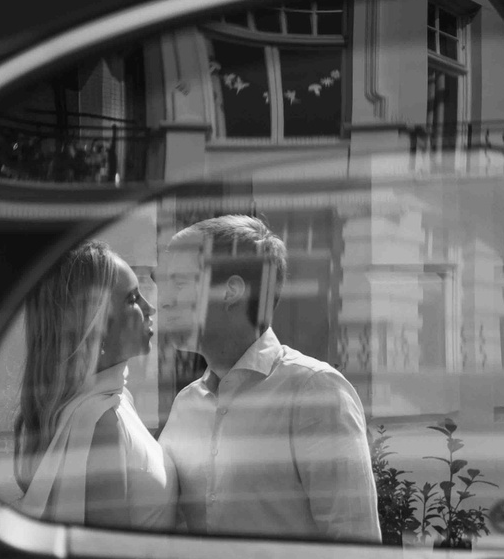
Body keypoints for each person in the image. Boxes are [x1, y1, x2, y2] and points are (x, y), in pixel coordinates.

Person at [156, 214, 379, 541]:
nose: (163, 299)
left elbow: (357, 549)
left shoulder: (314, 392)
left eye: (179, 282)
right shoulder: (185, 406)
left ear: (230, 291)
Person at [13, 241, 173, 529]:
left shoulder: (115, 401)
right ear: (95, 325)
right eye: (133, 299)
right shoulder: (100, 421)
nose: (150, 308)